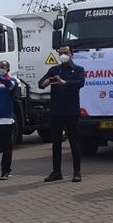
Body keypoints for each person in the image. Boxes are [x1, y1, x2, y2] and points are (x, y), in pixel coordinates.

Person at [38, 46, 85, 183]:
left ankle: (77, 172)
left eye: (66, 53)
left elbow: (80, 83)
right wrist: (45, 82)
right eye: (61, 53)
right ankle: (56, 172)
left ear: (71, 54)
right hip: (56, 111)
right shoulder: (54, 70)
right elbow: (41, 83)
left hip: (71, 111)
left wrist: (64, 82)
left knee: (74, 142)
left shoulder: (78, 69)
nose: (63, 55)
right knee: (56, 143)